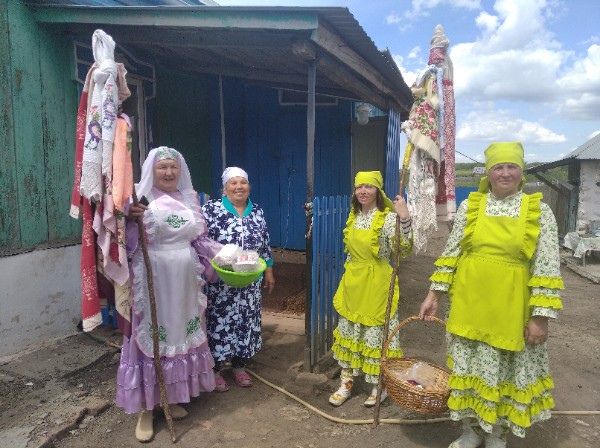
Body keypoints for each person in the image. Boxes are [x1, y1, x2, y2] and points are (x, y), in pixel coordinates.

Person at [419, 142, 564, 448]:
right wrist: (434, 294)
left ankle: (496, 434)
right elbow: (452, 252)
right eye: (499, 167)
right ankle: (470, 431)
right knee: (467, 368)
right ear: (488, 172)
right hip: (469, 304)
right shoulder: (472, 207)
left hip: (510, 310)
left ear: (521, 171)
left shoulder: (539, 211)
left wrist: (540, 317)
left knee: (505, 374)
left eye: (512, 166)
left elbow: (547, 265)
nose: (505, 173)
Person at [116, 146, 222, 442]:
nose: (168, 172)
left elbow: (200, 241)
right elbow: (124, 242)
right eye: (162, 167)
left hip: (185, 282)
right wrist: (129, 218)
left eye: (173, 167)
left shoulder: (189, 200)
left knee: (179, 334)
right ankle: (145, 410)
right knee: (150, 337)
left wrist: (225, 256)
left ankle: (170, 398)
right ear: (152, 169)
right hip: (152, 279)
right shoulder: (138, 199)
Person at [329, 171, 412, 407]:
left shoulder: (385, 219)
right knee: (348, 332)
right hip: (353, 282)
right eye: (359, 187)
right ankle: (346, 383)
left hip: (377, 283)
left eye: (369, 186)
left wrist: (404, 219)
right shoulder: (354, 216)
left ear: (378, 191)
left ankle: (379, 386)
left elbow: (403, 249)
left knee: (375, 337)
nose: (363, 191)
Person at [201, 167, 275, 391]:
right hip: (220, 281)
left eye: (243, 182)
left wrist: (269, 270)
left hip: (249, 282)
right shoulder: (210, 210)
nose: (239, 187)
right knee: (218, 322)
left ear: (249, 186)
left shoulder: (257, 211)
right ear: (224, 188)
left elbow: (264, 244)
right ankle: (215, 369)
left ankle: (239, 366)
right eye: (233, 183)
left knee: (246, 322)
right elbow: (200, 241)